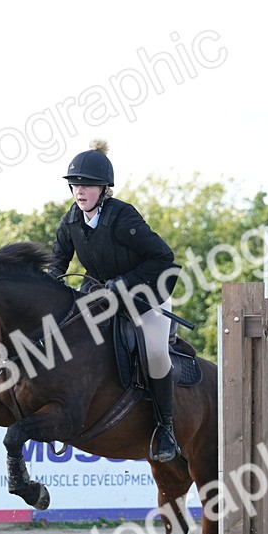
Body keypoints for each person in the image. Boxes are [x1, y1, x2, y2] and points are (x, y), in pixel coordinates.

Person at [51, 140, 182, 461]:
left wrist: (123, 283)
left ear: (104, 188)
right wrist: (46, 283)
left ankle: (166, 429)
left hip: (145, 296)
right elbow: (57, 262)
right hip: (102, 298)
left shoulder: (123, 217)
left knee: (154, 353)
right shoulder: (70, 222)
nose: (79, 191)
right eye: (75, 185)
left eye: (87, 186)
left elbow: (163, 256)